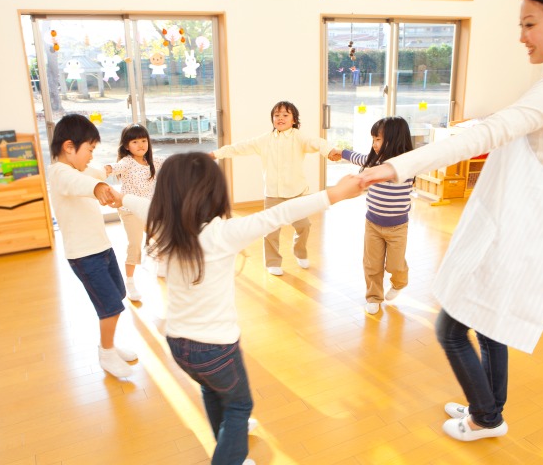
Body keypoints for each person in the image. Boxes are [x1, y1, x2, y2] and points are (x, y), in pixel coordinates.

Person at [361, 0, 543, 442]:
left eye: (530, 23)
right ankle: (488, 406)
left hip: (513, 229)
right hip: (522, 224)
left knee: (451, 328)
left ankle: (485, 417)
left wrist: (391, 168)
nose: (521, 36)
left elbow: (486, 134)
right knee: (489, 321)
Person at [115, 152, 363, 465]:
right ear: (213, 193)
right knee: (238, 407)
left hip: (179, 345)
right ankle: (229, 456)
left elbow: (137, 204)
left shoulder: (164, 223)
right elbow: (281, 214)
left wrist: (117, 196)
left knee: (211, 390)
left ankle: (227, 447)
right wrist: (336, 193)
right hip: (216, 348)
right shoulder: (223, 234)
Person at [48, 114, 138, 379]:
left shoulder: (78, 169)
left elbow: (94, 173)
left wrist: (107, 173)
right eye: (89, 149)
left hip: (101, 247)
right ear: (68, 147)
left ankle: (109, 344)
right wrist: (98, 185)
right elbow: (81, 183)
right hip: (84, 256)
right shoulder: (60, 173)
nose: (91, 155)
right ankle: (106, 353)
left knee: (118, 294)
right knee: (110, 306)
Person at [209, 100, 340, 276]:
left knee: (304, 226)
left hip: (298, 193)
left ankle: (300, 252)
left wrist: (330, 151)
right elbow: (239, 147)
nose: (280, 118)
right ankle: (273, 262)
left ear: (294, 120)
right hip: (273, 194)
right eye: (276, 115)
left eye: (285, 115)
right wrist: (215, 154)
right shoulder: (265, 140)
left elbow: (317, 143)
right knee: (270, 230)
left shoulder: (299, 137)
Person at [330, 116, 414, 315]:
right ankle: (374, 297)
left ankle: (400, 282)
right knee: (372, 264)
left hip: (398, 228)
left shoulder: (408, 165)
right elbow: (357, 157)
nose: (374, 145)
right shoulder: (373, 161)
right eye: (373, 139)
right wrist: (341, 152)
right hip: (373, 224)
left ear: (395, 139)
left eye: (378, 139)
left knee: (395, 264)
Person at [105, 123, 164, 301]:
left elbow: (173, 161)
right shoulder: (128, 162)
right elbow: (113, 168)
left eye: (144, 140)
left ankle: (161, 266)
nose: (141, 145)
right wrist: (103, 171)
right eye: (135, 142)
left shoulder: (152, 161)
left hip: (147, 209)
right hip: (130, 211)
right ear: (126, 146)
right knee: (135, 244)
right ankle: (130, 282)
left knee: (162, 236)